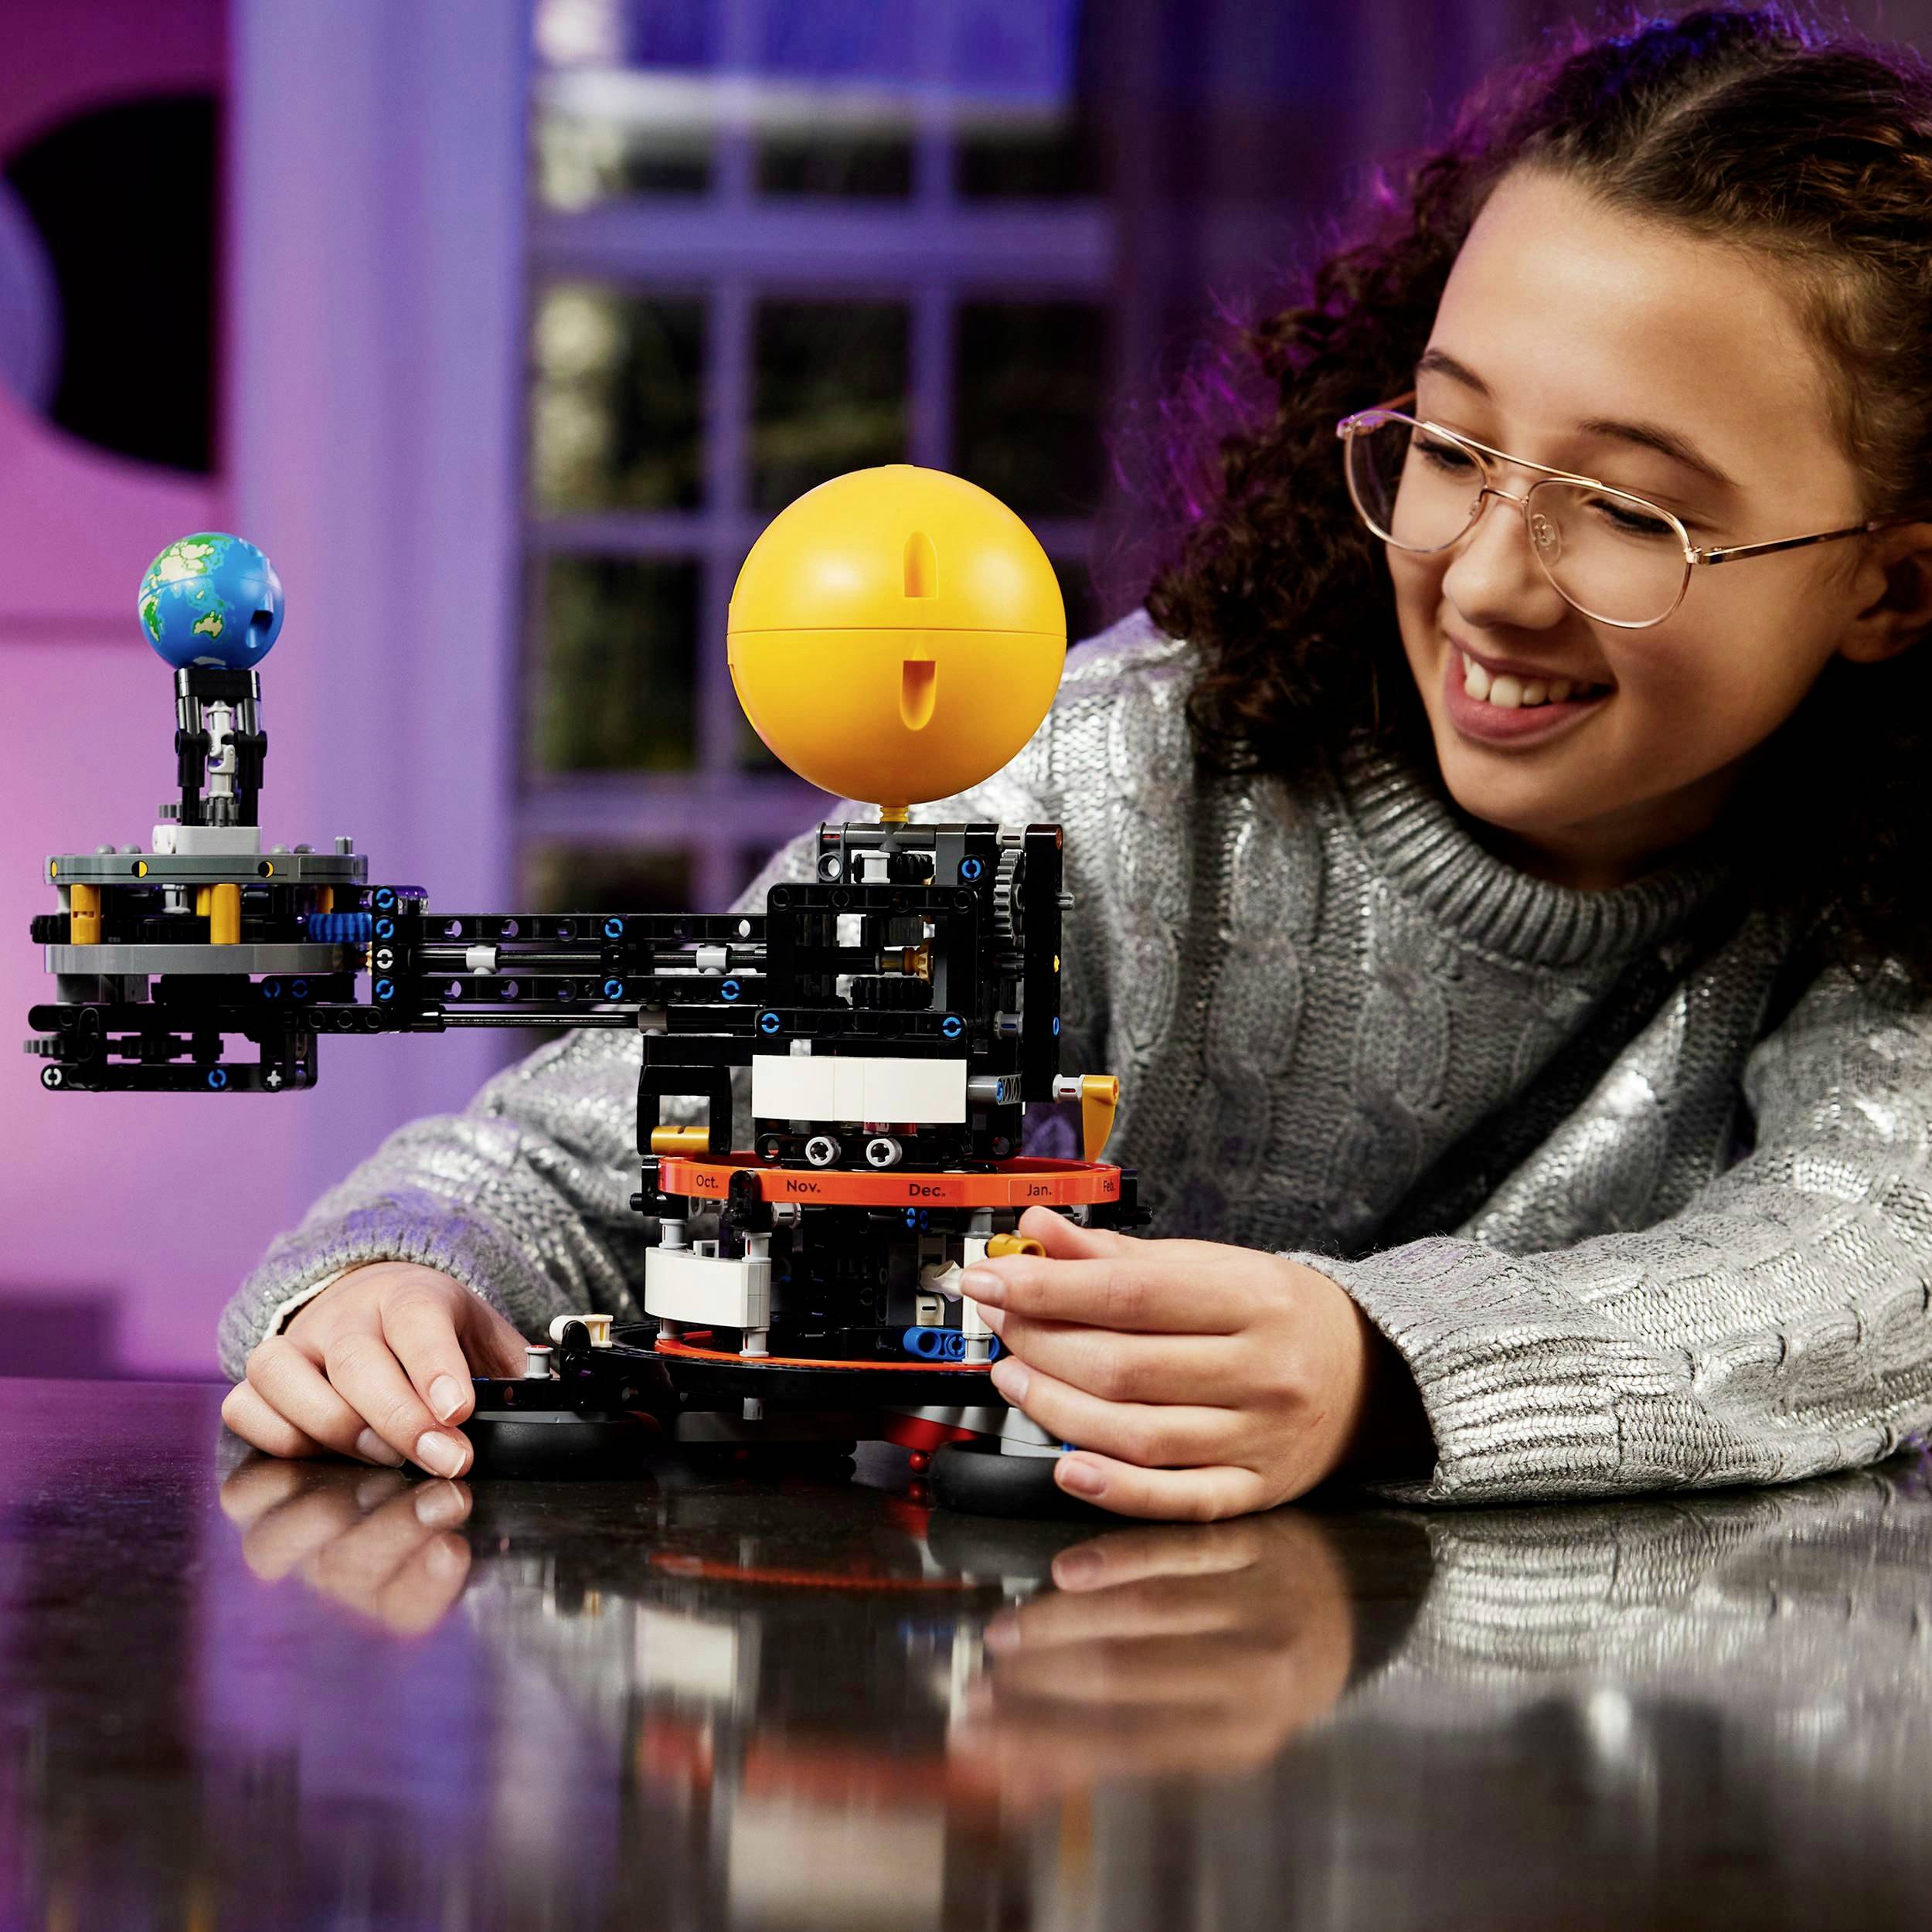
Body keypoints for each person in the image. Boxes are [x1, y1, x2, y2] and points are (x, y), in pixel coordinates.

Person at [218, 5, 1932, 1520]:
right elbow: (564, 1169)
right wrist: (387, 1285)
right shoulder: (1099, 784)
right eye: (1450, 444)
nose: (1484, 580)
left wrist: (1372, 1363)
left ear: (1891, 585)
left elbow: (1873, 1265)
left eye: (1627, 509)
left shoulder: (1883, 905)